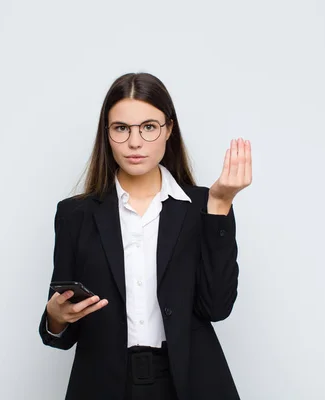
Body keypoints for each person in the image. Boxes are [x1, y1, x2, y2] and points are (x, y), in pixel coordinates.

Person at [39, 72, 252, 400]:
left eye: (149, 127)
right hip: (103, 385)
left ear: (168, 129)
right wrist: (55, 318)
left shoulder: (203, 207)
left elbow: (217, 308)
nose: (134, 142)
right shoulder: (75, 215)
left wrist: (221, 204)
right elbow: (63, 330)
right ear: (107, 134)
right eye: (121, 128)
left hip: (187, 384)